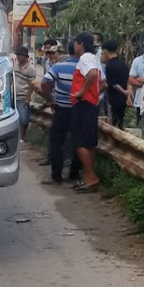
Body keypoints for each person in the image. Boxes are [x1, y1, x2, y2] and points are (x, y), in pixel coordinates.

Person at [39, 40, 81, 184]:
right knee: (77, 141)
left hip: (61, 108)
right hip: (78, 109)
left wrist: (50, 99)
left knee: (57, 142)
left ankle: (56, 176)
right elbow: (102, 84)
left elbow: (44, 83)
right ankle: (74, 174)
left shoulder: (59, 66)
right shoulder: (85, 67)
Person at [69, 32, 102, 192]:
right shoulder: (94, 59)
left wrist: (81, 92)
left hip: (83, 104)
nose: (74, 47)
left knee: (80, 142)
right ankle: (89, 176)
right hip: (91, 104)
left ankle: (90, 177)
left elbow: (92, 74)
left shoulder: (85, 58)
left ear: (81, 44)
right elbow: (102, 82)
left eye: (76, 43)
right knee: (89, 142)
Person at [102, 41, 131, 129]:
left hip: (114, 98)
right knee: (120, 121)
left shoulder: (109, 65)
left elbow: (113, 83)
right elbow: (128, 79)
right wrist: (127, 93)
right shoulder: (123, 63)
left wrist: (124, 91)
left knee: (113, 123)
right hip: (123, 99)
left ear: (106, 51)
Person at [13, 46, 36, 142]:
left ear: (25, 56)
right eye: (17, 55)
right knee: (15, 118)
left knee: (24, 119)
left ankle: (22, 137)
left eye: (19, 55)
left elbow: (32, 84)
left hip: (23, 96)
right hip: (14, 96)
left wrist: (28, 98)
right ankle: (16, 136)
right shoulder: (15, 65)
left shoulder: (30, 69)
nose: (17, 57)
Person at [125, 44, 144, 125]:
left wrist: (139, 79)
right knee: (139, 124)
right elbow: (131, 80)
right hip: (139, 100)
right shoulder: (137, 61)